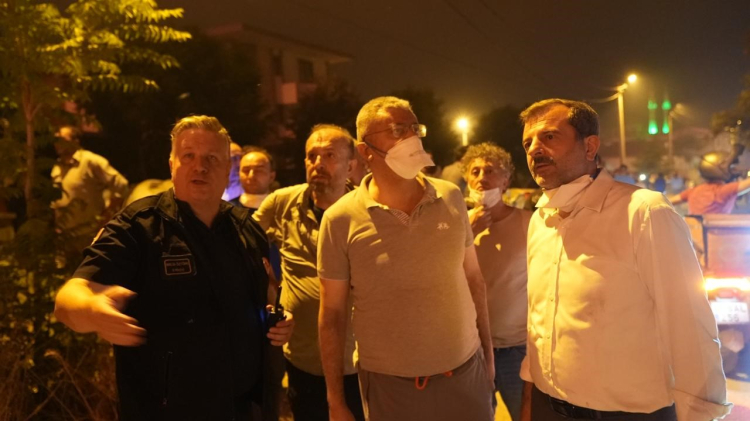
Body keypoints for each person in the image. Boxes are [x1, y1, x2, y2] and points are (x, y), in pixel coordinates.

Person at [54, 115, 294, 421]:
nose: (200, 166)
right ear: (172, 165)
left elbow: (267, 294)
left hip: (245, 408)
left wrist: (279, 317)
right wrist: (91, 310)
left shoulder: (247, 228)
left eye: (211, 158)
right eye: (188, 156)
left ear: (227, 168)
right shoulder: (139, 227)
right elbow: (69, 299)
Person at [518, 99, 730, 421]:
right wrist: (530, 395)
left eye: (549, 136)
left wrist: (700, 414)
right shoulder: (540, 220)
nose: (534, 149)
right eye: (527, 143)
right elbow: (539, 319)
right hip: (549, 408)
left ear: (590, 146)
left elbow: (689, 326)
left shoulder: (644, 213)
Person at [318, 96, 495, 421]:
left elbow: (473, 279)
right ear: (365, 151)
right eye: (398, 130)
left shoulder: (451, 196)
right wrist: (335, 400)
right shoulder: (339, 219)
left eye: (415, 128)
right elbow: (332, 315)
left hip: (466, 376)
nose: (412, 138)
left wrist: (488, 357)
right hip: (391, 389)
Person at [253, 124, 363, 421]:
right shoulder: (282, 203)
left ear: (350, 166)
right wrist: (269, 291)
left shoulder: (367, 209)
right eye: (312, 156)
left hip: (357, 361)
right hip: (303, 359)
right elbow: (241, 245)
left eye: (330, 155)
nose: (318, 163)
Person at [463, 142, 531, 421]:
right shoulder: (455, 226)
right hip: (472, 350)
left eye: (490, 171)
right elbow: (440, 274)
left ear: (506, 180)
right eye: (475, 171)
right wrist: (467, 233)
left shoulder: (528, 223)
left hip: (518, 350)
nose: (482, 177)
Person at [51, 126, 129, 249]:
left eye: (63, 139)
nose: (58, 143)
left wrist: (107, 216)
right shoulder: (57, 167)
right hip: (64, 237)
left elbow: (121, 184)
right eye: (56, 139)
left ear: (75, 141)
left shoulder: (90, 161)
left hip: (89, 235)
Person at [668, 152, 750, 214]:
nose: (733, 171)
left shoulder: (693, 191)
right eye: (730, 168)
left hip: (693, 231)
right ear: (719, 169)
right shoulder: (723, 190)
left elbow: (666, 202)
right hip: (718, 231)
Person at [232, 146, 277, 213]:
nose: (251, 176)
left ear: (271, 177)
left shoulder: (283, 210)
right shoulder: (227, 210)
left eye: (259, 170)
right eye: (246, 170)